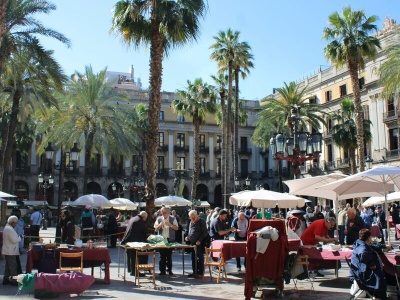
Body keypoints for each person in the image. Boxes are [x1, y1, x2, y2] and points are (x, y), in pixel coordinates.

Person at [351, 228, 389, 300]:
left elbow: (371, 247)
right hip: (363, 274)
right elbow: (363, 254)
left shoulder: (359, 243)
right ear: (368, 237)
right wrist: (371, 264)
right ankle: (382, 297)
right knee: (382, 277)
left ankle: (378, 295)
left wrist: (383, 246)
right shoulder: (363, 248)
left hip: (360, 271)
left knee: (383, 273)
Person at [120, 210, 148, 276]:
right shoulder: (140, 221)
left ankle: (131, 270)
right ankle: (135, 272)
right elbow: (144, 231)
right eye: (145, 218)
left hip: (128, 240)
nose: (145, 220)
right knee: (135, 257)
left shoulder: (133, 218)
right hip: (135, 241)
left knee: (130, 256)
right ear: (143, 216)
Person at [154, 207, 178, 275]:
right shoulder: (159, 219)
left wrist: (170, 225)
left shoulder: (173, 218)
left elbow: (176, 228)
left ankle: (169, 270)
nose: (164, 214)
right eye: (162, 213)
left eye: (165, 213)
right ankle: (162, 270)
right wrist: (160, 225)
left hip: (169, 239)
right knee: (162, 255)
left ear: (168, 212)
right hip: (162, 239)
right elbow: (155, 229)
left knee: (169, 255)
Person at [185, 210, 209, 277]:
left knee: (199, 258)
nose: (192, 219)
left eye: (193, 217)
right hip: (192, 243)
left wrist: (199, 240)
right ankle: (195, 271)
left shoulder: (201, 221)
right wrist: (188, 237)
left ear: (196, 215)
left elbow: (205, 233)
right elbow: (190, 231)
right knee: (193, 258)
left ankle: (200, 273)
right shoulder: (191, 222)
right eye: (191, 218)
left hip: (199, 243)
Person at [2, 216, 22, 286]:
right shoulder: (10, 229)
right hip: (11, 251)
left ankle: (6, 279)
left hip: (8, 250)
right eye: (15, 223)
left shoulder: (7, 228)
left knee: (8, 266)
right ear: (13, 222)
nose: (16, 224)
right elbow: (14, 240)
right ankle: (14, 280)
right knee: (13, 266)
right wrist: (20, 238)